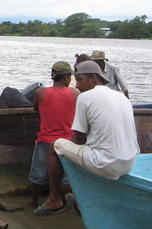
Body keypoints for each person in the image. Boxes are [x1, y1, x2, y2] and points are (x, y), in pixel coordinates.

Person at [35, 61, 140, 216]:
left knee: (55, 146)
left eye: (80, 79)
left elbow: (78, 139)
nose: (76, 85)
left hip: (106, 163)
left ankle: (54, 200)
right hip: (129, 163)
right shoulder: (122, 97)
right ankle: (81, 197)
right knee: (84, 150)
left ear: (94, 78)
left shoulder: (85, 98)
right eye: (75, 79)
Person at [29, 61, 80, 209]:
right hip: (67, 142)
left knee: (38, 174)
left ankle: (34, 202)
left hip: (45, 141)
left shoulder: (41, 92)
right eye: (70, 76)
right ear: (65, 78)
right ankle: (63, 205)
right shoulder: (75, 93)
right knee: (64, 179)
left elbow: (35, 108)